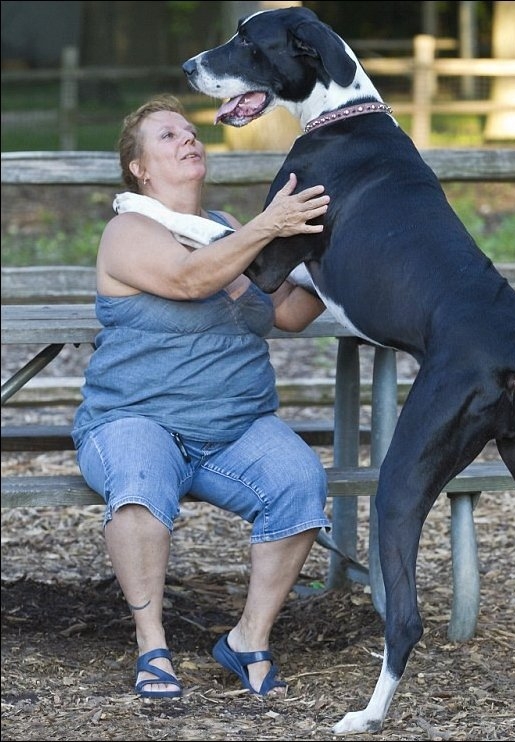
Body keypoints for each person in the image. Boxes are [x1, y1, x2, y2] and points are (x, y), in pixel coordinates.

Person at [71, 94, 332, 700]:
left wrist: (335, 249)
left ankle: (249, 638)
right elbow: (191, 279)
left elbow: (288, 312)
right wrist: (269, 226)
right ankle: (152, 645)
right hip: (134, 418)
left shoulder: (227, 230)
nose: (188, 139)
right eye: (167, 136)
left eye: (190, 132)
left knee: (299, 480)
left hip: (234, 425)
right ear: (139, 168)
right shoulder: (128, 231)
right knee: (138, 481)